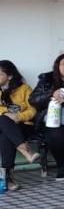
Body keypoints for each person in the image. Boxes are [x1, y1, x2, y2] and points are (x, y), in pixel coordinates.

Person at [0, 60, 40, 191]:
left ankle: (8, 178)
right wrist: (7, 113)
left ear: (10, 76)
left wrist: (18, 117)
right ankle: (26, 150)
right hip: (3, 124)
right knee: (4, 120)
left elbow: (33, 109)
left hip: (23, 125)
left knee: (5, 137)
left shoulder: (24, 88)